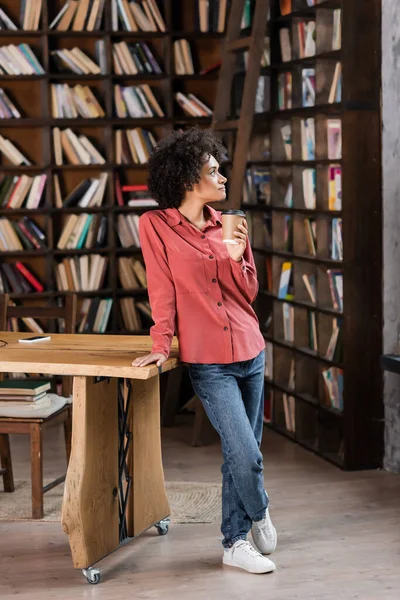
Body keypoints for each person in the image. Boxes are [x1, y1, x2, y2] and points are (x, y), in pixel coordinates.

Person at [132, 128, 277, 575]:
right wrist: (161, 344)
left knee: (241, 452)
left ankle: (234, 542)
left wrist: (238, 257)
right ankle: (260, 510)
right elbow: (161, 291)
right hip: (209, 361)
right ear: (188, 179)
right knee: (246, 454)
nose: (221, 176)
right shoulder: (155, 226)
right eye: (212, 170)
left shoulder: (231, 223)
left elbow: (249, 293)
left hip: (250, 349)